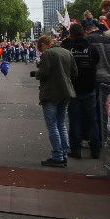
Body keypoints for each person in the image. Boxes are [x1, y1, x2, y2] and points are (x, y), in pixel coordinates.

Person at [32, 34, 75, 167]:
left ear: (44, 44)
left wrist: (37, 73)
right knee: (61, 124)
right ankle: (63, 153)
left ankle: (57, 155)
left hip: (51, 92)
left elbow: (43, 73)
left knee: (52, 125)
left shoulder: (48, 54)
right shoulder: (67, 52)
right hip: (65, 91)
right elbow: (75, 72)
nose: (41, 51)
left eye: (40, 48)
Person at [61, 22, 102, 159]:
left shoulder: (68, 48)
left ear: (70, 34)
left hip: (73, 87)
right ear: (84, 33)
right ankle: (95, 149)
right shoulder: (92, 48)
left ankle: (76, 149)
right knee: (92, 120)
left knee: (75, 120)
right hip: (89, 87)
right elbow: (96, 61)